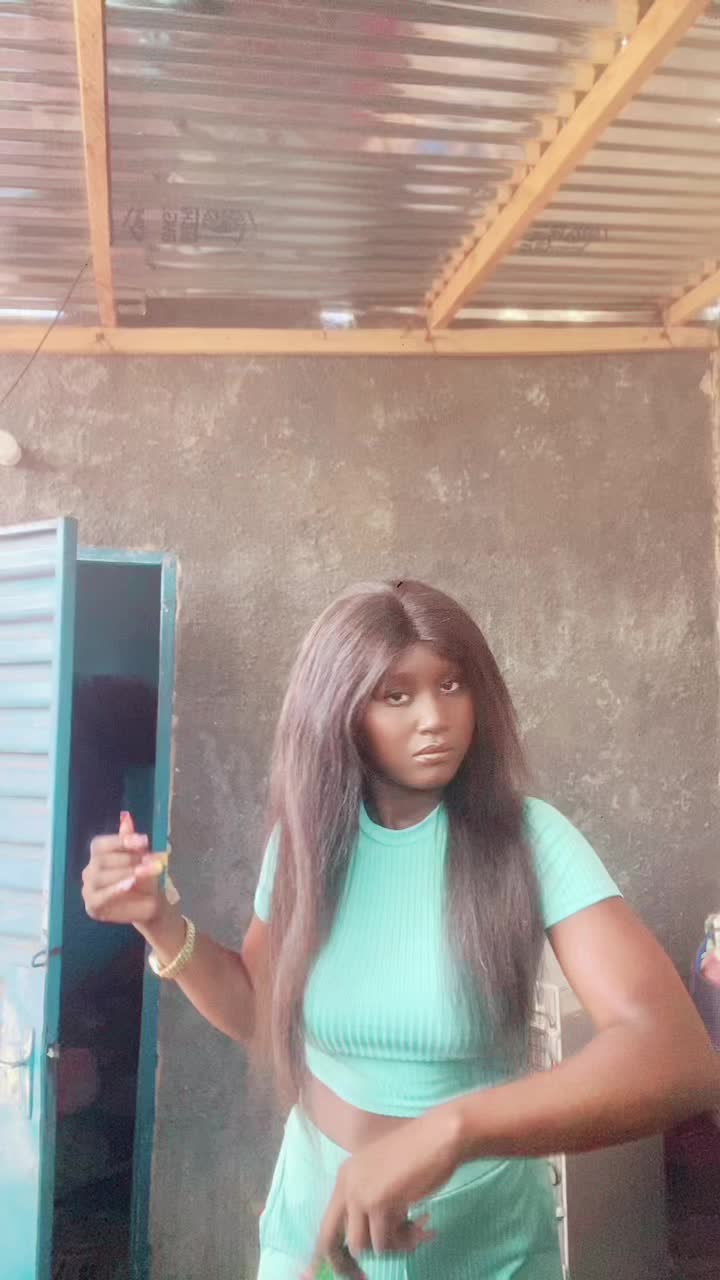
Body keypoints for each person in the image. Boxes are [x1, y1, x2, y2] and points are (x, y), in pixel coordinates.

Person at [82, 580, 719, 1280]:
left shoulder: (530, 840)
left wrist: (453, 1130)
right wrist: (159, 922)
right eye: (396, 695)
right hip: (316, 1223)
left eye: (451, 685)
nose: (434, 718)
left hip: (483, 1239)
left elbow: (676, 1055)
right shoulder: (304, 847)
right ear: (341, 711)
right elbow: (260, 1010)